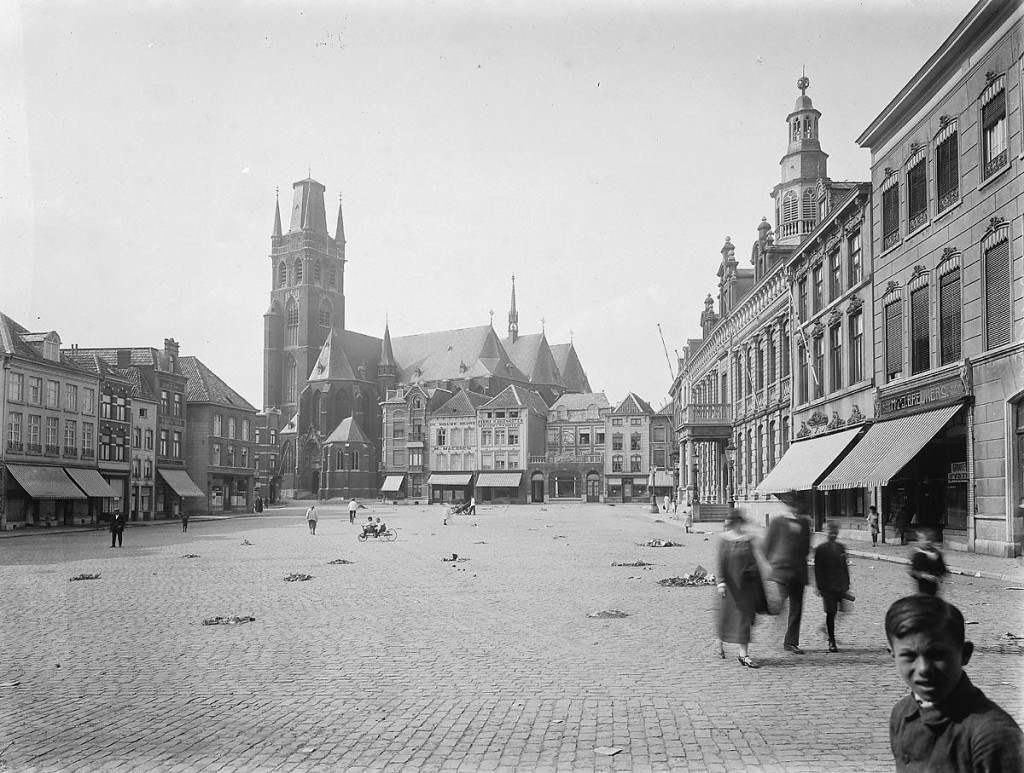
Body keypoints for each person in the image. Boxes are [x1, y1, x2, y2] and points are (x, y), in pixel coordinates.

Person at [885, 595, 1024, 772]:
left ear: (965, 654)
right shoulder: (902, 713)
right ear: (893, 655)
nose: (923, 669)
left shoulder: (992, 736)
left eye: (937, 655)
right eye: (909, 656)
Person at [716, 510, 764, 668]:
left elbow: (754, 561)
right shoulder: (725, 540)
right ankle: (720, 642)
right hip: (730, 588)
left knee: (744, 619)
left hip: (746, 587)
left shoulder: (748, 540)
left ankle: (743, 654)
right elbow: (721, 563)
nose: (739, 525)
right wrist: (721, 582)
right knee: (727, 618)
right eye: (736, 522)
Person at [764, 503, 812, 654]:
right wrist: (774, 563)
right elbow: (767, 546)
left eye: (799, 508)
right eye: (794, 507)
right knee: (777, 604)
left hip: (798, 572)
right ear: (789, 507)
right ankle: (775, 631)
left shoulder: (805, 524)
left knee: (796, 607)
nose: (796, 510)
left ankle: (791, 642)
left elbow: (806, 548)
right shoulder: (778, 522)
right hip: (781, 571)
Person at [813, 521, 850, 653]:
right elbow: (817, 569)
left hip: (840, 585)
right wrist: (818, 586)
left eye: (835, 533)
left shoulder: (841, 548)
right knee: (831, 612)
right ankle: (831, 639)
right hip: (827, 587)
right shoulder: (821, 549)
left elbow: (844, 567)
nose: (832, 535)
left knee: (843, 609)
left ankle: (826, 630)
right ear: (825, 533)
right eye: (830, 532)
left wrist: (847, 583)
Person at [909, 527, 948, 595]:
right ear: (919, 540)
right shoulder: (918, 555)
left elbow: (942, 569)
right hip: (922, 587)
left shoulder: (937, 553)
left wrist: (939, 576)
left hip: (934, 586)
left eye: (931, 540)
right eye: (926, 539)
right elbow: (913, 571)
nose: (929, 542)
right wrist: (923, 575)